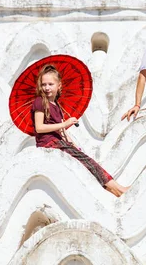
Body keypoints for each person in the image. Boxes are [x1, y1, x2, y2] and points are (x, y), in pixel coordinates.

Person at [32, 64, 128, 197]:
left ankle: (116, 189)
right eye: (44, 84)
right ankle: (118, 189)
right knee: (87, 164)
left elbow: (63, 132)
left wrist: (73, 145)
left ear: (59, 85)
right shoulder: (40, 102)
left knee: (88, 161)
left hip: (61, 142)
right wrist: (65, 123)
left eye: (50, 84)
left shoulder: (57, 106)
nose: (47, 88)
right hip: (49, 143)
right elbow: (39, 127)